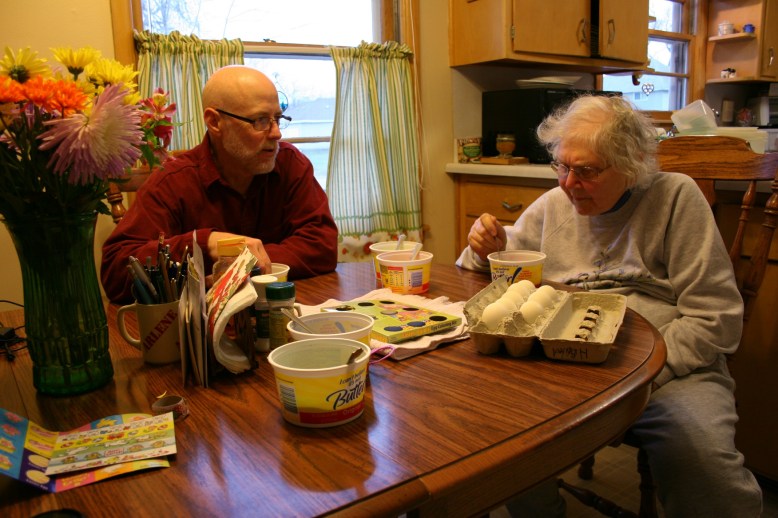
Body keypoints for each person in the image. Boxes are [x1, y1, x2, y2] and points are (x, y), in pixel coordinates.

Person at [457, 95, 763, 517]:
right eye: (562, 167)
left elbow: (716, 319)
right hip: (563, 361)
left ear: (632, 163)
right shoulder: (555, 204)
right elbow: (492, 268)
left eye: (586, 171)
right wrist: (483, 248)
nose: (568, 184)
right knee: (503, 434)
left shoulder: (675, 198)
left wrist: (637, 373)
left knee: (701, 463)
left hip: (671, 366)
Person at [101, 65, 338, 303]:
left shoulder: (289, 164)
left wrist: (241, 265)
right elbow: (116, 271)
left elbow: (322, 246)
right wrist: (203, 245)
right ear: (214, 122)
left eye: (278, 118)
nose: (276, 133)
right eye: (260, 121)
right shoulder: (173, 181)